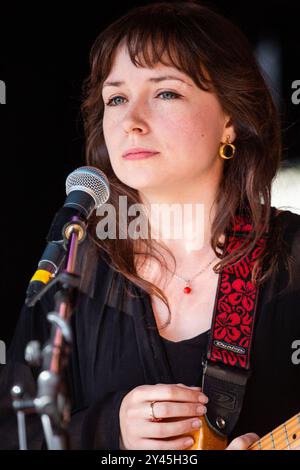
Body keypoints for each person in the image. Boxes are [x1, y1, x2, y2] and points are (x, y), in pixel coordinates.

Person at [0, 0, 300, 451]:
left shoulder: (293, 257)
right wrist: (108, 432)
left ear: (231, 121)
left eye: (165, 93)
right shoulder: (73, 266)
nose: (130, 122)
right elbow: (11, 433)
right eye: (116, 98)